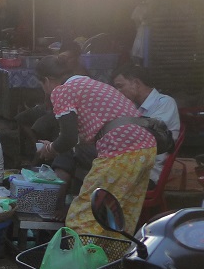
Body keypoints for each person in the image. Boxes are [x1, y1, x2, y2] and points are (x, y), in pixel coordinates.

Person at [34, 55, 156, 236]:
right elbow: (84, 133)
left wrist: (50, 149)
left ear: (47, 80)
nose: (44, 90)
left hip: (121, 152)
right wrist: (54, 144)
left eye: (41, 85)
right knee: (118, 216)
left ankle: (84, 262)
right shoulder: (90, 83)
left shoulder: (62, 90)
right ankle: (112, 262)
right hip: (145, 148)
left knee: (82, 216)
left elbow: (68, 138)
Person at [112, 64, 180, 188]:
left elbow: (142, 136)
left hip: (147, 174)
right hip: (128, 167)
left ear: (136, 83)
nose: (118, 92)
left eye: (120, 86)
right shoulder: (133, 107)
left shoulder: (164, 102)